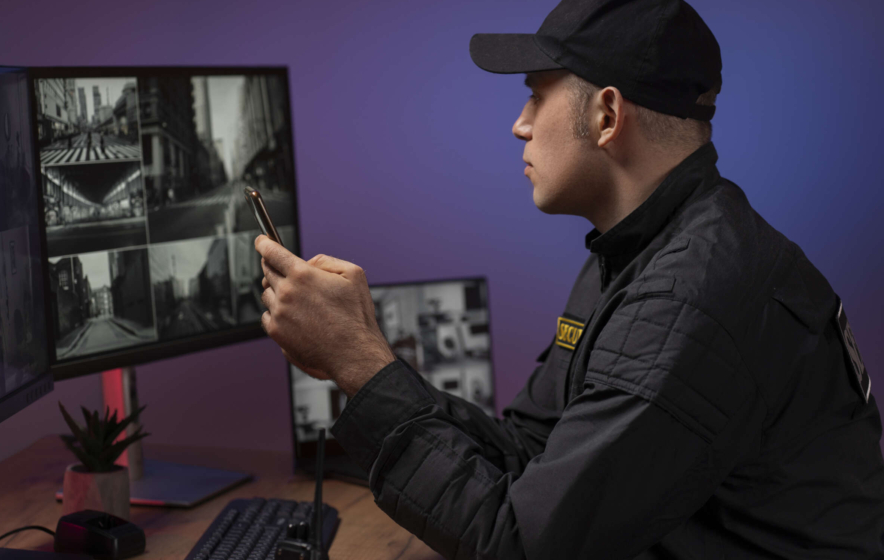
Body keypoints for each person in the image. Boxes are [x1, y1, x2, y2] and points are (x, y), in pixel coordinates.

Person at [254, 0, 884, 558]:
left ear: (607, 116)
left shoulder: (692, 298)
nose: (519, 124)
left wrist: (358, 366)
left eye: (535, 94)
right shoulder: (640, 248)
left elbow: (523, 545)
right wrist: (366, 356)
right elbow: (532, 451)